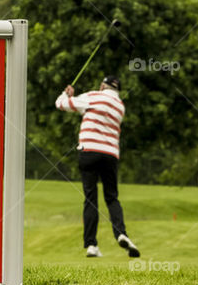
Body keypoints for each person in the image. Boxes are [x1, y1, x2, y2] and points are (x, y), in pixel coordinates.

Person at [55, 75, 140, 258]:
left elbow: (61, 104)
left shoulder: (93, 96)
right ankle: (121, 234)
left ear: (103, 85)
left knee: (90, 198)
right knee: (112, 197)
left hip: (89, 151)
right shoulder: (120, 106)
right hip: (110, 155)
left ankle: (91, 245)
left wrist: (66, 94)